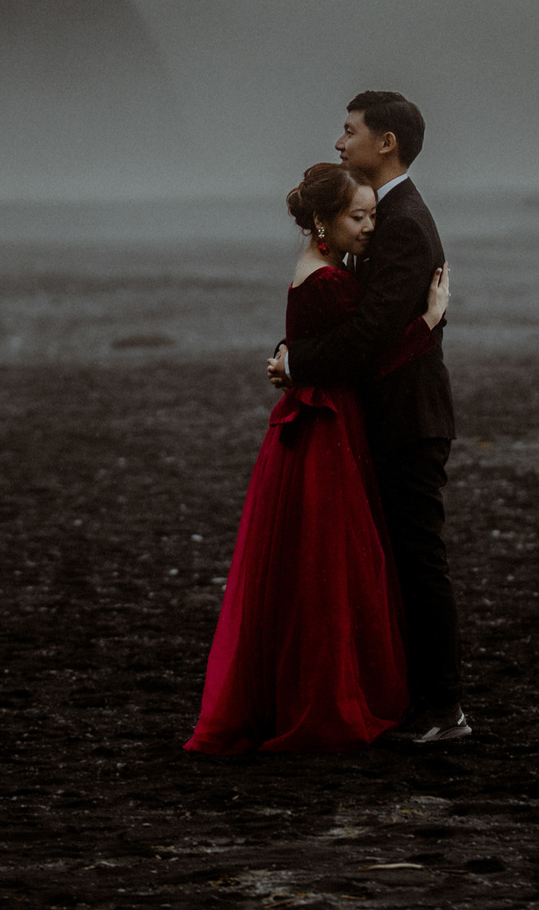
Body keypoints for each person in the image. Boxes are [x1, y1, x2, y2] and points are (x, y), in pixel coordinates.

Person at [185, 161, 451, 754]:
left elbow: (325, 343)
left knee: (318, 568)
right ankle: (336, 697)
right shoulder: (327, 280)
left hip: (320, 421)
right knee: (336, 566)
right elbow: (361, 355)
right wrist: (427, 323)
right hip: (331, 428)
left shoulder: (323, 268)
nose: (370, 227)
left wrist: (295, 356)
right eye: (359, 217)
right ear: (324, 223)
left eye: (372, 215)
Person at [274, 90, 468, 747]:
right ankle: (419, 700)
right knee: (399, 559)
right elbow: (372, 326)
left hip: (408, 418)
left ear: (386, 142)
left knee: (418, 560)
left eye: (350, 130)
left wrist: (297, 363)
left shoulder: (404, 221)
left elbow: (372, 337)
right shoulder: (381, 217)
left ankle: (444, 709)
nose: (339, 142)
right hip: (386, 415)